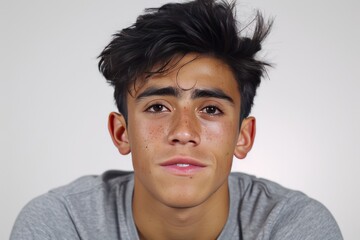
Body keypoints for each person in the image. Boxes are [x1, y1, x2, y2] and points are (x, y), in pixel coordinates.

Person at [10, 0, 343, 239]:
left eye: (210, 109)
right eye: (157, 107)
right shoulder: (61, 222)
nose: (184, 132)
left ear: (243, 136)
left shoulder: (295, 226)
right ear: (121, 132)